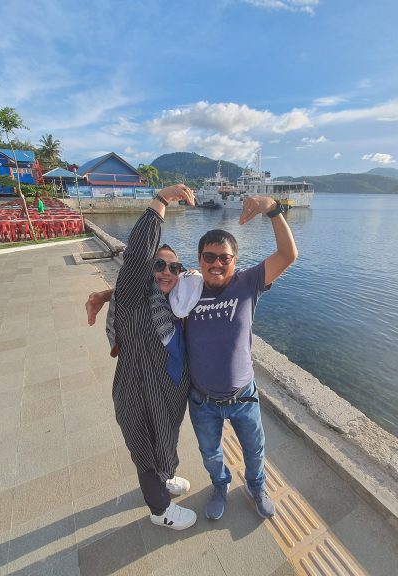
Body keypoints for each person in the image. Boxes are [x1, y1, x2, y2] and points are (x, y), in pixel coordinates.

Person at [84, 184, 198, 530]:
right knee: (147, 449)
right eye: (158, 264)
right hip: (139, 392)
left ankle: (166, 476)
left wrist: (106, 293)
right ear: (147, 269)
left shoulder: (174, 303)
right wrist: (161, 201)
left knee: (166, 438)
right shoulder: (135, 298)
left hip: (166, 396)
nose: (166, 271)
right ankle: (160, 510)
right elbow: (135, 259)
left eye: (174, 267)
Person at [186, 196, 298, 520]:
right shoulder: (186, 290)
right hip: (202, 400)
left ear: (235, 261)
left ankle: (256, 486)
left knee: (254, 449)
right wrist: (108, 295)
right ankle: (220, 486)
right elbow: (152, 285)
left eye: (224, 258)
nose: (216, 264)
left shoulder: (248, 284)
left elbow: (288, 255)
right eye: (209, 257)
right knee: (210, 453)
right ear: (199, 259)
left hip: (243, 397)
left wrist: (273, 209)